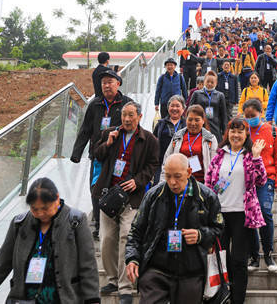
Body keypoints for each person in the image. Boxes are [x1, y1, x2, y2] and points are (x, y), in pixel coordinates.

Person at [0, 178, 99, 304]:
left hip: (62, 298)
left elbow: (88, 265)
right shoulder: (19, 224)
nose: (41, 213)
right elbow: (1, 264)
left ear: (57, 198)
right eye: (35, 209)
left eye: (45, 208)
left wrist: (92, 299)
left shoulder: (75, 221)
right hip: (24, 299)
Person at [125, 154, 224, 304]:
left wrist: (200, 235)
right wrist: (132, 259)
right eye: (168, 176)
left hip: (191, 272)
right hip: (157, 270)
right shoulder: (153, 195)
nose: (172, 182)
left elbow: (219, 229)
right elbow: (136, 230)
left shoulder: (207, 197)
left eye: (177, 176)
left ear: (189, 172)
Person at [92, 101, 159, 304]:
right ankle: (112, 279)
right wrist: (108, 143)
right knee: (106, 240)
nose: (127, 119)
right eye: (123, 115)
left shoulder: (149, 139)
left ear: (139, 116)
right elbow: (97, 155)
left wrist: (138, 181)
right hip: (109, 196)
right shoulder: (110, 133)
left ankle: (125, 287)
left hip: (132, 198)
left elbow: (153, 165)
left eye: (131, 115)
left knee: (125, 239)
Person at [205, 117, 267, 304]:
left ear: (246, 134)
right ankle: (224, 295)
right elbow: (208, 184)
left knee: (239, 260)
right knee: (222, 259)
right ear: (228, 133)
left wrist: (256, 157)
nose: (236, 135)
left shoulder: (250, 155)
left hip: (242, 214)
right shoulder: (219, 155)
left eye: (240, 131)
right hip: (220, 214)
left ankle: (238, 299)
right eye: (233, 131)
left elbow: (262, 180)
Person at [71, 69, 133, 239]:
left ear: (118, 83)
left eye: (109, 82)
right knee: (96, 190)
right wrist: (77, 153)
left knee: (116, 190)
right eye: (103, 83)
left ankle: (117, 222)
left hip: (118, 156)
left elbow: (133, 127)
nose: (106, 86)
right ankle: (99, 225)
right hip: (98, 155)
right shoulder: (95, 104)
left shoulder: (127, 104)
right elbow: (85, 130)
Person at [242, 99, 277, 272]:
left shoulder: (272, 131)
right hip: (246, 179)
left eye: (252, 116)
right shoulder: (243, 130)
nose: (250, 119)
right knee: (250, 216)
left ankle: (268, 253)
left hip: (266, 178)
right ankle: (254, 256)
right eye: (247, 116)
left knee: (265, 213)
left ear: (260, 113)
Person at [162, 104, 219, 183]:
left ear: (203, 121)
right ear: (186, 120)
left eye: (197, 120)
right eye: (190, 119)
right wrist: (163, 182)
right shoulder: (177, 137)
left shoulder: (210, 139)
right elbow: (166, 160)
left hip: (202, 183)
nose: (193, 123)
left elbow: (215, 165)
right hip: (179, 183)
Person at [153, 95, 187, 183]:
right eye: (172, 106)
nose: (174, 108)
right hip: (162, 164)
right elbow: (153, 143)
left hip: (182, 164)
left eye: (177, 106)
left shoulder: (187, 125)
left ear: (183, 108)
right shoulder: (161, 124)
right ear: (168, 108)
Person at [189, 71, 228, 143]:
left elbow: (224, 115)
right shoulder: (196, 94)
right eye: (208, 81)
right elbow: (190, 111)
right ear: (204, 82)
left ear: (216, 83)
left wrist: (224, 131)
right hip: (199, 125)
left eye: (212, 82)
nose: (209, 84)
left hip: (215, 125)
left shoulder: (220, 95)